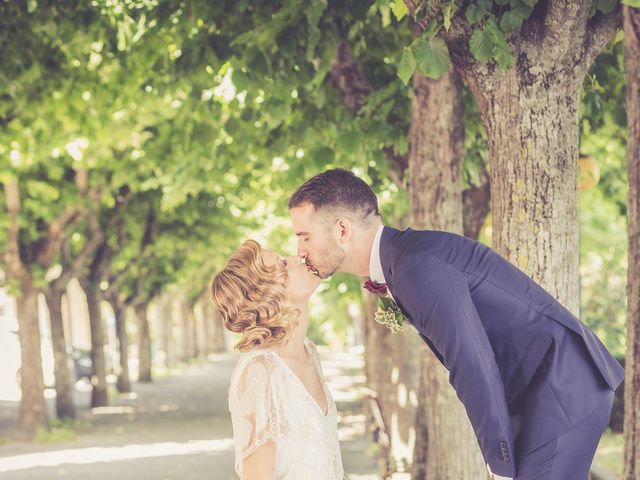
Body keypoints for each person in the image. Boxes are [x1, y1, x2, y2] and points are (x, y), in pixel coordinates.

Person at [288, 168, 624, 480]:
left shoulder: (414, 266)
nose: (300, 250)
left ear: (342, 229)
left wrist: (499, 463)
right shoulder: (401, 260)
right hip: (538, 388)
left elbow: (471, 362)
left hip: (561, 384)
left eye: (304, 236)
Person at [210, 239, 344, 480]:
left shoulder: (309, 353)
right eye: (282, 264)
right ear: (266, 295)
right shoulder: (260, 371)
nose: (296, 259)